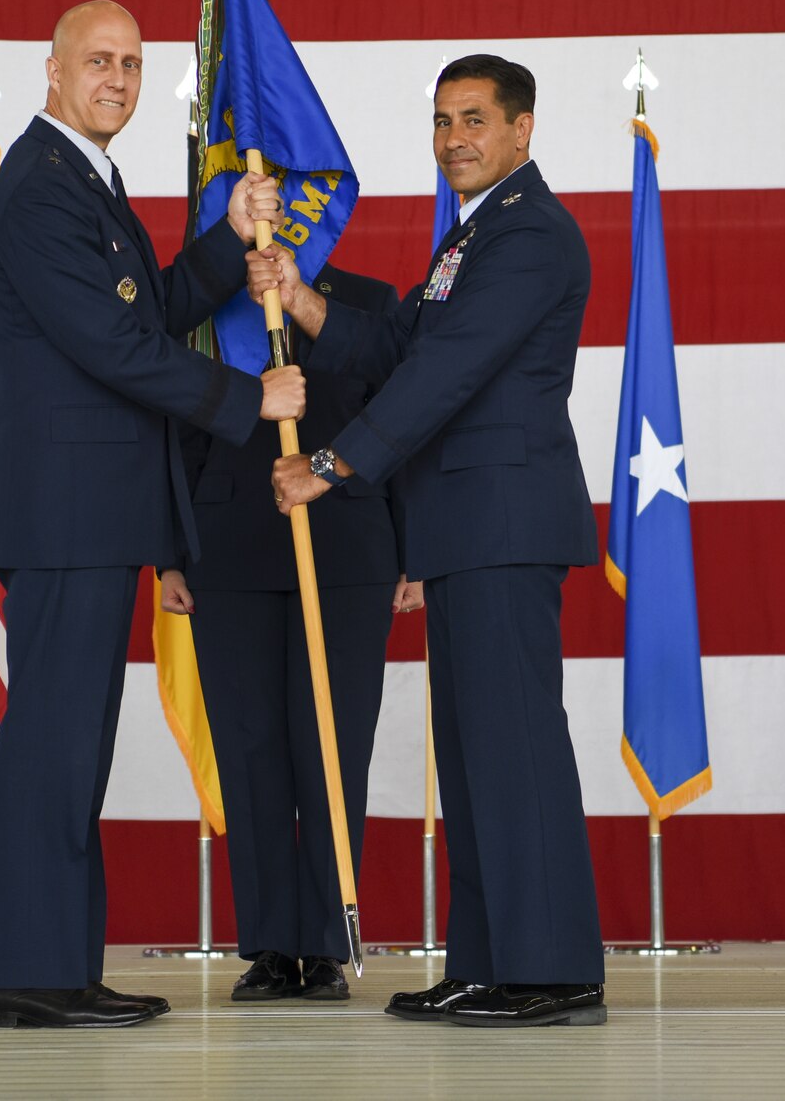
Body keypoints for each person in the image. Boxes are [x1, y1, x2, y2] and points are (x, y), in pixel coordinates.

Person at [248, 55, 608, 1028]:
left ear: (522, 130)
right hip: (462, 527)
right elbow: (398, 343)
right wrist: (303, 294)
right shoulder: (471, 238)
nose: (454, 138)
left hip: (500, 523)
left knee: (515, 750)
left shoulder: (528, 234)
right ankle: (491, 962)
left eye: (475, 120)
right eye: (442, 120)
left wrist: (328, 467)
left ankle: (550, 971)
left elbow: (439, 375)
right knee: (477, 755)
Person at [0, 0, 305, 1029]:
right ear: (52, 67)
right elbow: (110, 349)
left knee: (72, 747)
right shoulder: (37, 185)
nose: (116, 78)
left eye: (131, 63)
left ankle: (58, 966)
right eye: (97, 60)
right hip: (66, 512)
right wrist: (251, 402)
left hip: (90, 513)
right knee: (53, 747)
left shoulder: (85, 178)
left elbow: (141, 314)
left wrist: (226, 242)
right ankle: (31, 974)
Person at [159, 263, 416, 1004]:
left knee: (331, 747)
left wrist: (415, 551)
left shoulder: (368, 303)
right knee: (251, 751)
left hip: (348, 552)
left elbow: (401, 425)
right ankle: (272, 944)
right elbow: (179, 431)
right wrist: (171, 554)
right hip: (229, 549)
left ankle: (327, 941)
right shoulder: (212, 307)